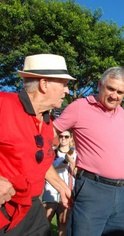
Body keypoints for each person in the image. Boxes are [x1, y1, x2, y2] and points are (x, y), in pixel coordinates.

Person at [53, 67, 124, 236]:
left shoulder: (120, 112)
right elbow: (50, 135)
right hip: (93, 189)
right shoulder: (79, 107)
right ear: (99, 84)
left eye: (120, 92)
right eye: (110, 88)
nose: (114, 96)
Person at [0, 54, 73, 235]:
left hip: (32, 209)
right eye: (63, 84)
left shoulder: (48, 122)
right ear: (44, 84)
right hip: (3, 210)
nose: (67, 91)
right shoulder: (4, 104)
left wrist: (62, 188)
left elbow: (41, 162)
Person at [42, 130, 76, 236]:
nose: (63, 139)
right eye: (61, 136)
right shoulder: (52, 152)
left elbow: (76, 173)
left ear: (70, 138)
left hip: (67, 189)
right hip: (51, 188)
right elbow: (51, 167)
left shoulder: (74, 153)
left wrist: (71, 162)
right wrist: (65, 161)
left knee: (64, 221)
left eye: (66, 137)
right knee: (45, 218)